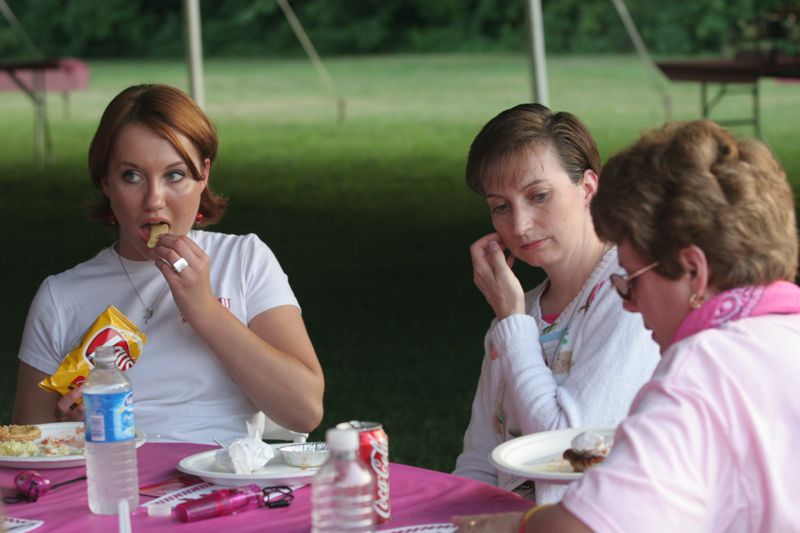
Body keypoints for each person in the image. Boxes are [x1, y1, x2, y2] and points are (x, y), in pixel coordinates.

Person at [452, 119, 800, 532]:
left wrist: (505, 527)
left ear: (693, 269)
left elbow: (586, 524)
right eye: (501, 205)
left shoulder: (702, 365)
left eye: (632, 279)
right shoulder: (781, 333)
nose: (629, 303)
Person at [11, 84, 324, 443]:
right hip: (117, 482)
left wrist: (205, 310)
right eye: (132, 176)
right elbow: (28, 454)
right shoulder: (60, 296)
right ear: (106, 183)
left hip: (225, 481)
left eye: (174, 175)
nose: (154, 200)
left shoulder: (244, 260)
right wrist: (73, 429)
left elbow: (304, 412)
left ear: (203, 175)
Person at [453, 103, 660, 503]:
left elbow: (565, 451)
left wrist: (511, 320)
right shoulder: (517, 311)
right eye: (500, 206)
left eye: (539, 195)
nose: (519, 225)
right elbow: (479, 459)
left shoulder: (628, 295)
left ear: (587, 188)